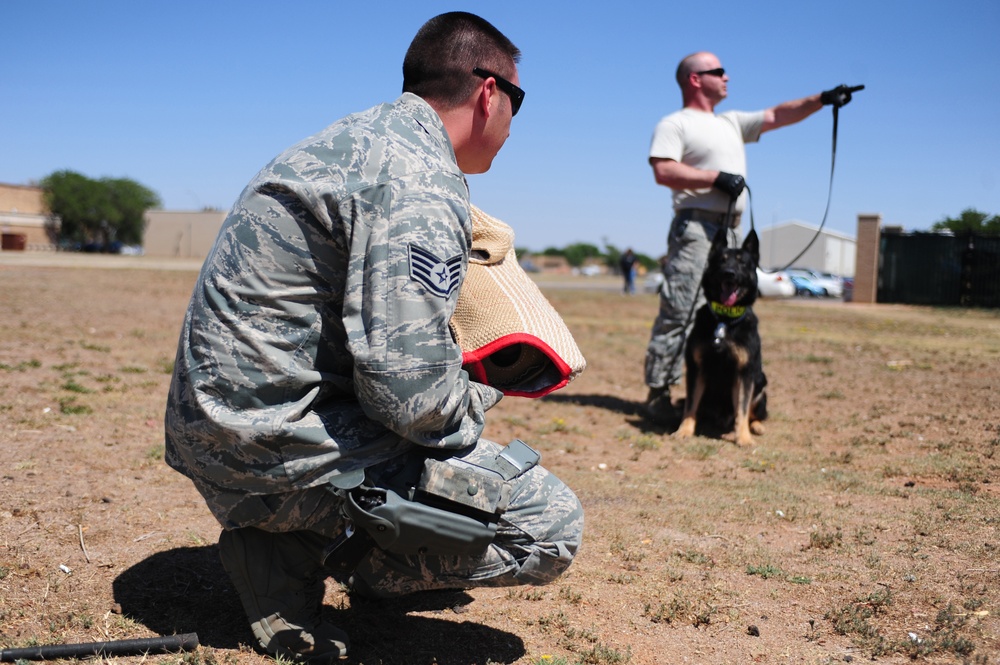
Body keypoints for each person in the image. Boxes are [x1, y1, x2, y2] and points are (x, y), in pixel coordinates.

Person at [163, 12, 583, 662]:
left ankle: (284, 542)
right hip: (272, 453)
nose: (511, 123)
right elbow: (412, 399)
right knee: (549, 525)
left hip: (214, 436)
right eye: (517, 103)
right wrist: (480, 395)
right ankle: (350, 560)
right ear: (489, 92)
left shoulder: (352, 141)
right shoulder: (419, 180)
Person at [643, 51, 856, 424]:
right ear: (695, 79)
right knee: (681, 310)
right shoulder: (675, 123)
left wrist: (822, 100)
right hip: (696, 227)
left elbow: (777, 114)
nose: (727, 77)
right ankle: (659, 394)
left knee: (729, 309)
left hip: (731, 229)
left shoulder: (731, 122)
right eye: (718, 71)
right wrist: (714, 177)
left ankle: (710, 398)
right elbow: (663, 170)